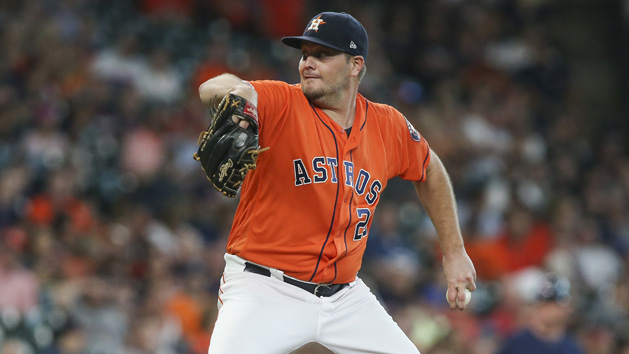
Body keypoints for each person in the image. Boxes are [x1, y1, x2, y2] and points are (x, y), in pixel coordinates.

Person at [198, 11, 476, 354]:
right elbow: (213, 87)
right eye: (304, 55)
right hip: (263, 288)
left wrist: (454, 252)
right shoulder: (281, 102)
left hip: (344, 297)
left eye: (323, 55)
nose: (308, 64)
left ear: (356, 64)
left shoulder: (387, 124)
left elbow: (430, 170)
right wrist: (240, 100)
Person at [496, 273, 584, 354]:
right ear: (535, 306)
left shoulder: (572, 348)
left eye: (554, 305)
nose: (549, 310)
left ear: (568, 308)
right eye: (545, 305)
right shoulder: (514, 344)